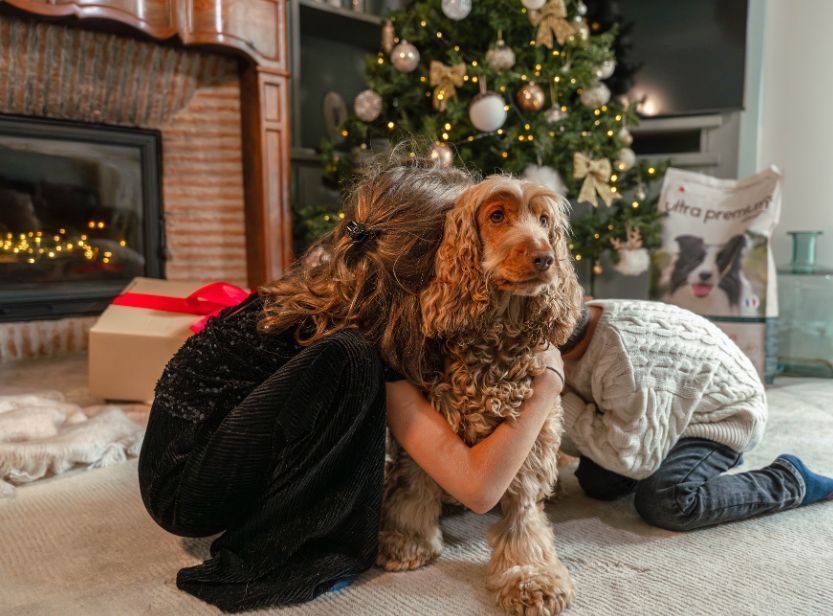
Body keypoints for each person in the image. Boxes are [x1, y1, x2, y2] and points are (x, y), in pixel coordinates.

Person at [137, 156, 566, 612]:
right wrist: (546, 388)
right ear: (420, 252)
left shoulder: (350, 289)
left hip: (189, 458)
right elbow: (478, 490)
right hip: (189, 488)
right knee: (350, 358)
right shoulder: (365, 332)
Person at [557, 299, 833, 532]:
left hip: (722, 416)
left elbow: (631, 460)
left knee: (665, 502)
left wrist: (559, 400)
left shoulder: (624, 362)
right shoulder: (579, 321)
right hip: (662, 409)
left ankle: (790, 480)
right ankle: (684, 458)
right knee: (599, 483)